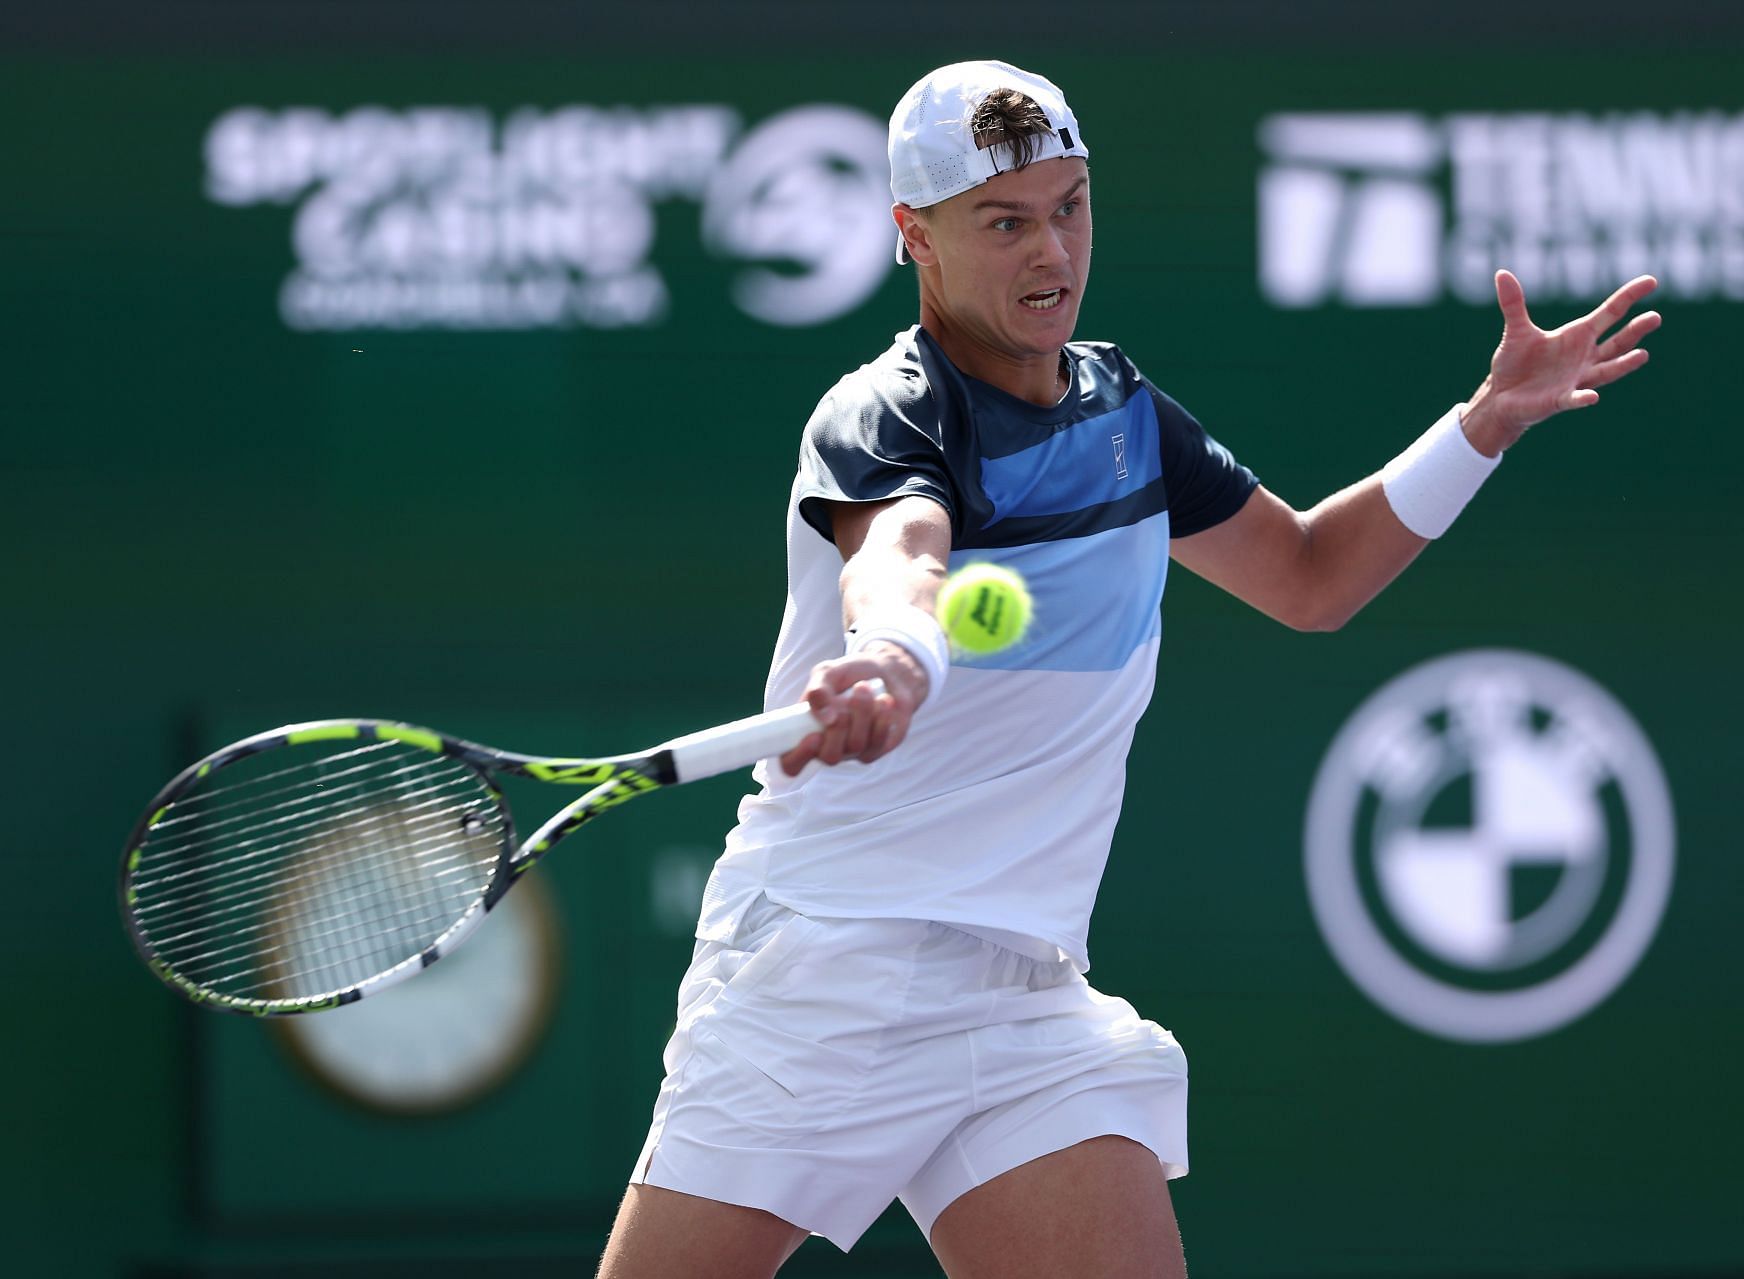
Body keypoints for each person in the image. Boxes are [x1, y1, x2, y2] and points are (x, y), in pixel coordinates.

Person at [597, 60, 1659, 1279]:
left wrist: (1482, 426)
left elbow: (1311, 577)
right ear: (916, 237)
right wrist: (890, 651)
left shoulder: (1125, 413)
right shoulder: (886, 412)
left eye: (1071, 206)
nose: (1051, 251)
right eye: (1006, 222)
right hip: (831, 969)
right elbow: (899, 552)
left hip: (1026, 994)